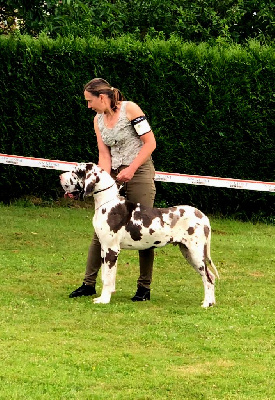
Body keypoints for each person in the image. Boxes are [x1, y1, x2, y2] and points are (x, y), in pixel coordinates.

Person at [69, 78, 156, 301]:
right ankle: (88, 284)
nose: (88, 106)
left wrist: (132, 169)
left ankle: (144, 288)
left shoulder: (131, 109)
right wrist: (104, 182)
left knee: (144, 228)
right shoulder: (97, 120)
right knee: (101, 230)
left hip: (139, 173)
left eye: (90, 101)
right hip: (114, 176)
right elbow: (104, 156)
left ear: (102, 97)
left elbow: (150, 143)